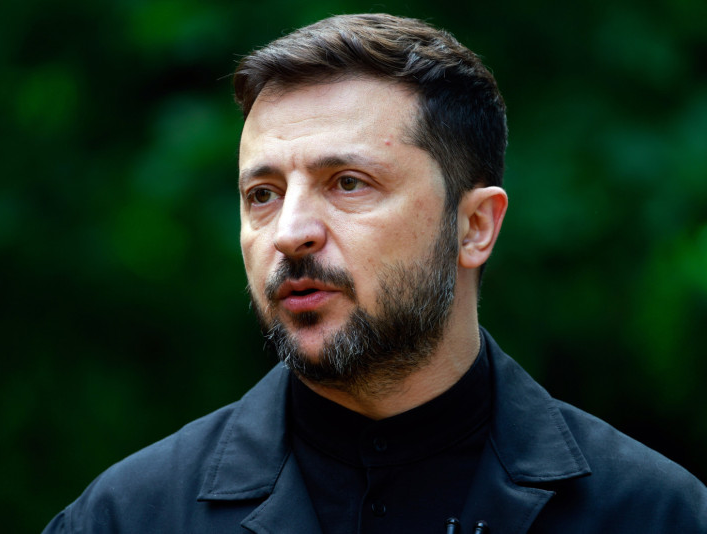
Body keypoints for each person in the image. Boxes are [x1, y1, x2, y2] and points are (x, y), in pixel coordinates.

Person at [42, 13, 707, 533]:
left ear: (475, 226)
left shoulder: (653, 515)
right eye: (262, 194)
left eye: (348, 183)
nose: (290, 232)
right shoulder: (127, 517)